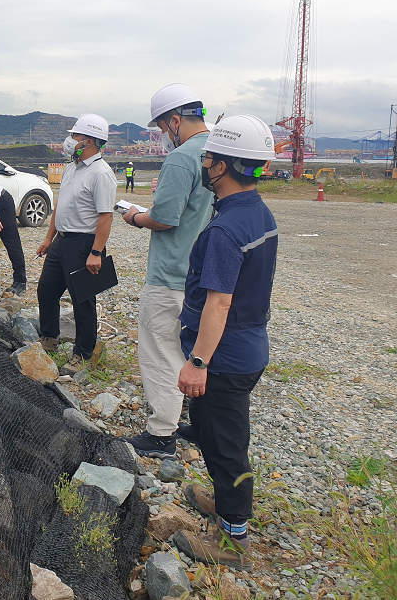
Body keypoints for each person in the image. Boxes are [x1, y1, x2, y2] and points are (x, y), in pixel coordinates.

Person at [168, 115, 278, 571]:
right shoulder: (257, 213)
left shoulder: (223, 232)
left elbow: (219, 304)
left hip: (224, 359)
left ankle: (234, 540)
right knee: (217, 437)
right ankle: (223, 499)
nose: (205, 162)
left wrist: (197, 362)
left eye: (210, 157)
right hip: (248, 348)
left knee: (226, 444)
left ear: (226, 166)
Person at [122, 83, 213, 459]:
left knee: (161, 350)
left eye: (162, 128)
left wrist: (135, 216)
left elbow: (164, 218)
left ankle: (162, 435)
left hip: (171, 273)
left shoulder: (181, 158)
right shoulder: (220, 152)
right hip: (206, 277)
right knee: (196, 351)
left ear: (175, 121)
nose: (163, 136)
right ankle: (199, 424)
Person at [35, 114, 116, 374]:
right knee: (46, 289)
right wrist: (49, 238)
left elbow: (105, 216)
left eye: (75, 136)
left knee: (82, 301)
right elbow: (61, 205)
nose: (70, 141)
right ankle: (48, 339)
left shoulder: (101, 173)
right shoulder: (72, 167)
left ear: (89, 140)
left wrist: (96, 252)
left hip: (84, 243)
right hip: (62, 240)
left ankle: (82, 354)